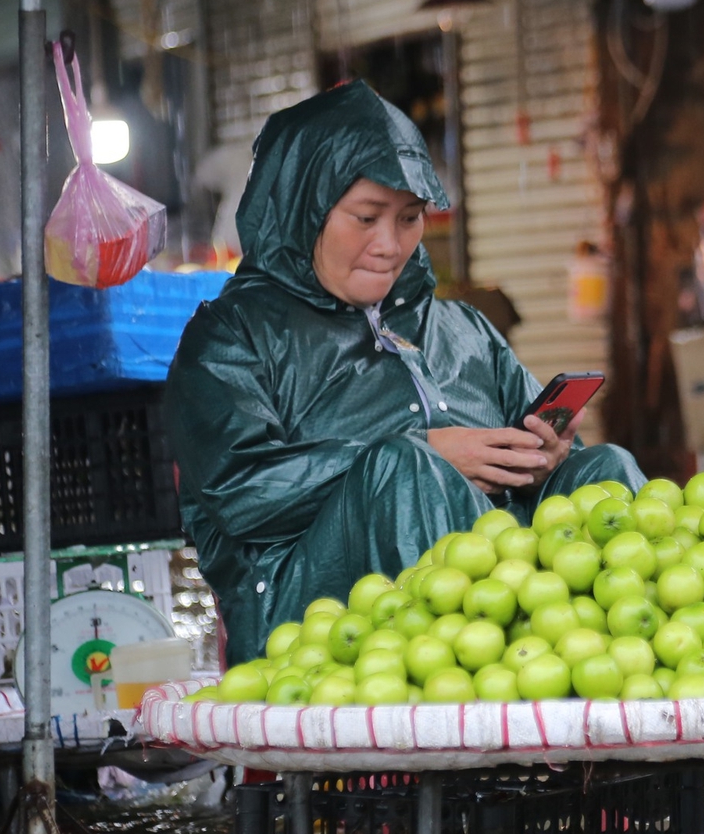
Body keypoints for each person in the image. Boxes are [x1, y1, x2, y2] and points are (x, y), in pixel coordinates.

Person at [165, 81, 645, 664]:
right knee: (407, 470)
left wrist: (548, 456)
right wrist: (429, 452)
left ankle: (641, 683)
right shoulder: (233, 336)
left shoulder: (462, 329)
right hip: (312, 620)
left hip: (514, 605)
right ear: (304, 207)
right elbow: (244, 491)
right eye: (366, 218)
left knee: (606, 470)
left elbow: (542, 465)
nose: (390, 245)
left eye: (410, 218)